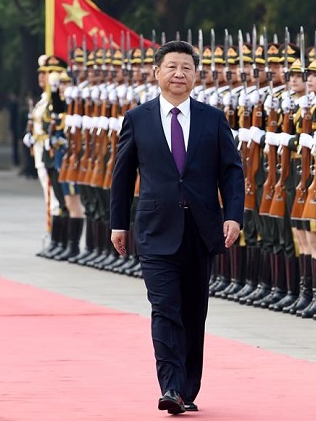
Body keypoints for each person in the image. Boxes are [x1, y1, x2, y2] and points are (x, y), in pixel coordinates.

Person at [109, 40, 244, 414]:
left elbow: (232, 173)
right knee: (164, 308)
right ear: (157, 72)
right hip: (155, 230)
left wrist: (233, 215)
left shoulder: (213, 119)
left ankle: (188, 386)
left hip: (201, 230)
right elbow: (121, 177)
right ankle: (170, 386)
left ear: (196, 75)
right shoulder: (138, 118)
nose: (179, 74)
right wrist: (118, 223)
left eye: (186, 68)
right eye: (171, 67)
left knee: (193, 311)